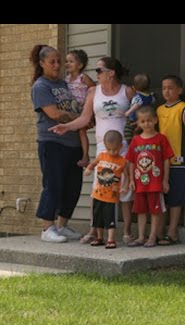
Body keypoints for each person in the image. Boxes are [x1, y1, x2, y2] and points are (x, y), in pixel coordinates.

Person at [49, 57, 136, 245]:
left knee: (125, 189)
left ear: (110, 73)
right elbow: (84, 118)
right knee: (99, 189)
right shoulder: (93, 92)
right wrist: (66, 127)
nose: (95, 74)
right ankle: (95, 231)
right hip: (103, 148)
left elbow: (140, 113)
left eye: (99, 70)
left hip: (123, 147)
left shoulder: (127, 91)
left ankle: (127, 231)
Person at [30, 44, 83, 243]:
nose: (57, 64)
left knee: (73, 186)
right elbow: (54, 114)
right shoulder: (41, 86)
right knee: (53, 184)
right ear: (42, 63)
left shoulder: (64, 84)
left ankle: (62, 225)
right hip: (52, 142)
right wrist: (80, 119)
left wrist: (82, 119)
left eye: (59, 61)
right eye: (52, 61)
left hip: (73, 142)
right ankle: (47, 228)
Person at [156, 75, 185, 245]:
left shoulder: (183, 109)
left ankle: (172, 232)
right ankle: (158, 231)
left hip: (178, 161)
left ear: (179, 90)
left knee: (175, 198)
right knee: (162, 197)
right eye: (164, 88)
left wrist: (184, 147)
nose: (166, 91)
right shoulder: (159, 110)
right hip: (161, 160)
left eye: (170, 88)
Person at [126, 106, 174, 247]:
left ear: (155, 120)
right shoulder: (135, 140)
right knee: (140, 211)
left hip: (155, 183)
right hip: (140, 183)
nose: (146, 124)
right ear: (138, 123)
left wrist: (165, 181)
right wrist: (130, 180)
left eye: (149, 121)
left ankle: (152, 236)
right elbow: (131, 161)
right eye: (142, 121)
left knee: (155, 210)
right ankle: (141, 236)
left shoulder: (161, 139)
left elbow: (166, 160)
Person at [84, 130, 128, 249]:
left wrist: (124, 186)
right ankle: (99, 237)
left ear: (121, 146)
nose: (112, 152)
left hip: (111, 197)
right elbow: (93, 164)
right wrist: (88, 169)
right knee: (98, 218)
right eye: (109, 149)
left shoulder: (122, 161)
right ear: (105, 146)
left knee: (110, 219)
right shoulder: (101, 156)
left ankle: (111, 239)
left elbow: (127, 176)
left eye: (115, 149)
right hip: (97, 194)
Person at [65, 49, 96, 168]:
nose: (67, 64)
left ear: (80, 65)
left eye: (71, 61)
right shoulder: (67, 79)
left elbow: (94, 89)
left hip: (83, 109)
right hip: (72, 109)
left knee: (82, 131)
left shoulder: (83, 78)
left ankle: (85, 156)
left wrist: (88, 104)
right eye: (67, 61)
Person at [124, 73, 155, 144]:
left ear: (134, 87)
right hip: (144, 119)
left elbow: (136, 105)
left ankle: (131, 143)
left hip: (133, 118)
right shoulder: (151, 97)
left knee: (127, 132)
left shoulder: (138, 97)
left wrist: (128, 112)